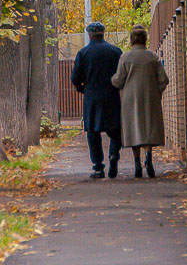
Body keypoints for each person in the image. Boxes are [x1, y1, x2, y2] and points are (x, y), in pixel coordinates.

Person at [111, 24, 168, 178]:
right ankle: (149, 158)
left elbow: (118, 81)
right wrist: (157, 92)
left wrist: (112, 80)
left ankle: (137, 163)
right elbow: (164, 79)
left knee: (133, 127)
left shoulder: (125, 58)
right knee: (148, 127)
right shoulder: (153, 57)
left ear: (131, 40)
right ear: (145, 39)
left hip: (130, 98)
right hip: (150, 97)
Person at [71, 22, 123, 179]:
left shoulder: (83, 53)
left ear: (90, 34)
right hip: (112, 96)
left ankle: (98, 167)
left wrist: (82, 88)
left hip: (92, 98)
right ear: (103, 33)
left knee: (93, 132)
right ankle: (113, 155)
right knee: (115, 131)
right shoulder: (116, 51)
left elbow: (75, 78)